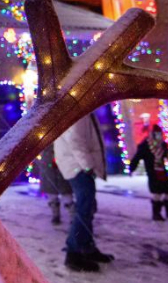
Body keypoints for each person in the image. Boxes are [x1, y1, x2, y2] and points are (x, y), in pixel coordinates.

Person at [54, 113, 114, 273]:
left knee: (88, 207)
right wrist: (88, 166)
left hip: (78, 165)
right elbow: (75, 141)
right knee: (84, 209)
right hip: (78, 167)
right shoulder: (77, 111)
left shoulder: (79, 110)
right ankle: (73, 252)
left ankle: (87, 247)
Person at [130, 126, 168, 221]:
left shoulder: (162, 145)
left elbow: (166, 153)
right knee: (157, 193)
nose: (158, 136)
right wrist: (132, 168)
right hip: (153, 172)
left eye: (159, 134)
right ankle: (156, 214)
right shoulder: (145, 146)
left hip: (162, 172)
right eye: (156, 134)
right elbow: (137, 157)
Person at [36, 144, 74, 225]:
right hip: (49, 168)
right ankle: (56, 216)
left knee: (67, 195)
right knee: (52, 196)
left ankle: (73, 218)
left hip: (61, 166)